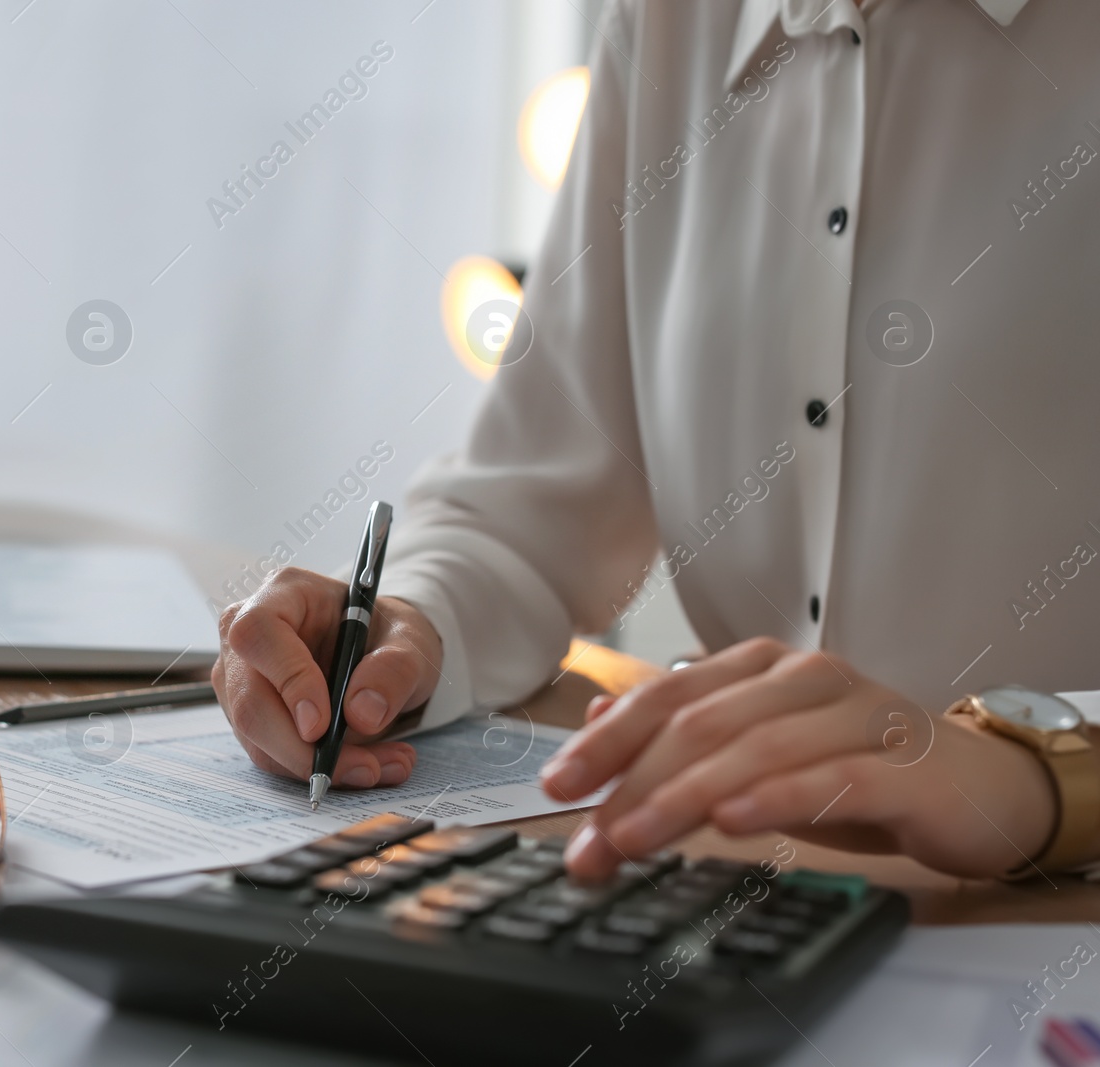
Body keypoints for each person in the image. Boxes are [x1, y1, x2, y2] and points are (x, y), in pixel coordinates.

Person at [213, 0, 1100, 883]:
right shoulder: (670, 21)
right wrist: (410, 625)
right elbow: (532, 510)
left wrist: (1033, 772)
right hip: (737, 886)